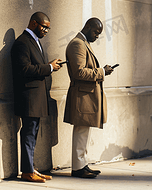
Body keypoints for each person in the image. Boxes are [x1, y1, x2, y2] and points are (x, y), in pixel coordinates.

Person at [11, 12, 62, 183]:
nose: (46, 31)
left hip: (36, 98)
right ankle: (27, 171)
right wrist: (48, 67)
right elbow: (24, 69)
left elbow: (36, 66)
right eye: (44, 27)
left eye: (48, 28)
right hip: (29, 97)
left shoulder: (34, 41)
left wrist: (50, 66)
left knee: (32, 133)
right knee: (28, 134)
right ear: (33, 23)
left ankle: (30, 168)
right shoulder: (22, 43)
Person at [63, 17, 114, 178]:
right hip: (82, 96)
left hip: (86, 96)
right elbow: (79, 72)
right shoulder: (77, 43)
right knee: (81, 131)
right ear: (87, 27)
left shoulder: (83, 43)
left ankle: (82, 164)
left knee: (84, 131)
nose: (97, 36)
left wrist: (102, 71)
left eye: (99, 34)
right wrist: (102, 72)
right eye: (96, 32)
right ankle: (78, 168)